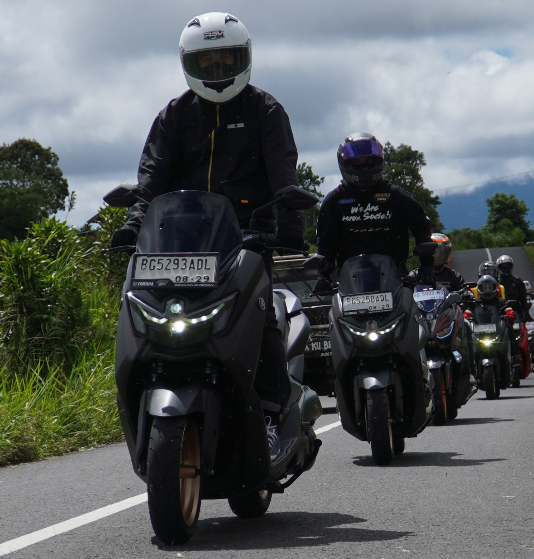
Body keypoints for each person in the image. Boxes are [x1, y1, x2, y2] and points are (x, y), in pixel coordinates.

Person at [109, 12, 303, 460]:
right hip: (179, 247)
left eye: (226, 57)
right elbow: (151, 181)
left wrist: (289, 230)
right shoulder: (174, 117)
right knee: (148, 318)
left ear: (245, 58)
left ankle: (272, 415)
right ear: (188, 64)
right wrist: (132, 225)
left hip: (247, 242)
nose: (217, 68)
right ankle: (143, 397)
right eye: (206, 60)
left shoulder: (266, 111)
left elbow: (283, 180)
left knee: (263, 321)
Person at [313, 133, 434, 293]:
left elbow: (422, 228)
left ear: (378, 161)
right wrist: (324, 277)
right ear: (345, 163)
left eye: (368, 162)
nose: (363, 168)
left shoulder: (396, 196)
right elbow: (325, 245)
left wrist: (426, 267)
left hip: (396, 281)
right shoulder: (334, 202)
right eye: (356, 162)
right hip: (349, 286)